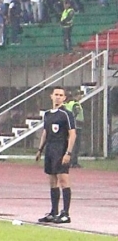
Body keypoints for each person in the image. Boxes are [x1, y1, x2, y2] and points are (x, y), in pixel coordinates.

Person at [36, 86, 76, 224]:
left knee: (63, 179)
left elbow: (72, 134)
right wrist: (40, 150)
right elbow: (45, 132)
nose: (58, 97)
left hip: (61, 149)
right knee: (52, 180)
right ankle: (54, 211)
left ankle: (65, 213)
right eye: (56, 94)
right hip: (50, 149)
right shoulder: (47, 114)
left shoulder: (66, 114)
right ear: (51, 96)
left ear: (64, 98)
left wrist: (68, 152)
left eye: (61, 95)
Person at [64, 89, 84, 167]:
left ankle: (70, 161)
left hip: (69, 126)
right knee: (76, 145)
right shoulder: (75, 104)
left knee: (70, 144)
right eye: (80, 95)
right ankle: (74, 162)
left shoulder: (67, 104)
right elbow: (75, 113)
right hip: (76, 126)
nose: (81, 96)